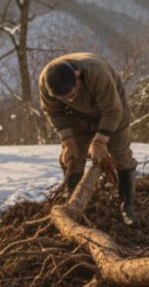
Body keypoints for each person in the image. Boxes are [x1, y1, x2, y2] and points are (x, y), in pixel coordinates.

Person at [39, 53, 138, 225]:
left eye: (71, 94)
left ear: (77, 77)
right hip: (77, 117)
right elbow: (53, 112)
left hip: (113, 111)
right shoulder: (47, 84)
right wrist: (67, 140)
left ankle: (127, 206)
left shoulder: (97, 74)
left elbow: (113, 111)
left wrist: (100, 141)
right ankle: (74, 202)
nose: (69, 99)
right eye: (63, 98)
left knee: (121, 155)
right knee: (72, 157)